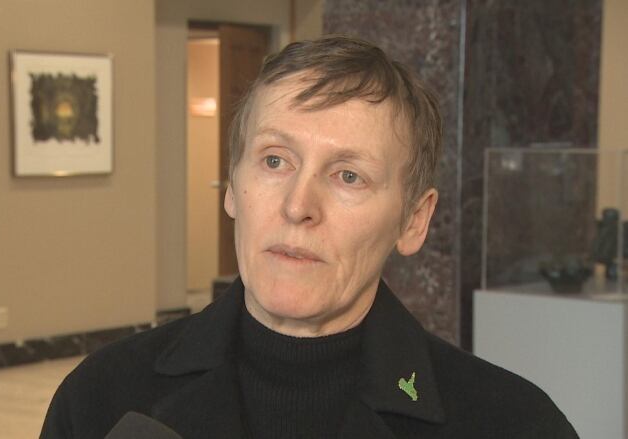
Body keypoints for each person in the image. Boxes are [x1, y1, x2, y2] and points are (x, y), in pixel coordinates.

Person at [40, 36, 578, 439]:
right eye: (275, 160)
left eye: (348, 176)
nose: (298, 206)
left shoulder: (513, 424)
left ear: (414, 220)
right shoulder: (101, 399)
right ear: (232, 187)